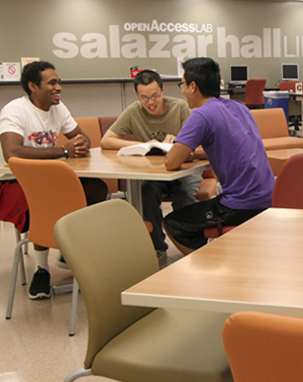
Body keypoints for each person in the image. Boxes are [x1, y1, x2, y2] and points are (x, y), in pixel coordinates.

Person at [0, 61, 108, 300]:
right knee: (48, 202)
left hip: (50, 178)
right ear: (33, 86)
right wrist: (65, 151)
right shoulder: (15, 110)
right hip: (14, 182)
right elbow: (12, 152)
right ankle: (42, 268)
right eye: (52, 83)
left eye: (59, 82)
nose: (59, 87)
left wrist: (81, 144)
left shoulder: (58, 108)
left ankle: (66, 247)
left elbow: (83, 138)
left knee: (96, 189)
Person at [163, 57, 275, 255]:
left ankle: (205, 266)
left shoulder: (201, 115)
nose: (181, 90)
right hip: (270, 196)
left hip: (242, 205)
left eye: (182, 84)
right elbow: (232, 144)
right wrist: (196, 153)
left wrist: (176, 150)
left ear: (193, 86)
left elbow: (171, 163)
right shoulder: (238, 106)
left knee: (173, 222)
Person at [100, 69, 202, 261]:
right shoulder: (133, 111)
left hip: (182, 170)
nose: (150, 103)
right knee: (145, 192)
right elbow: (107, 141)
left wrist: (180, 142)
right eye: (144, 98)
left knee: (184, 195)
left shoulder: (179, 107)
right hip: (152, 173)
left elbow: (199, 143)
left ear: (163, 90)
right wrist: (142, 145)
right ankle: (157, 247)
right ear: (137, 96)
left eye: (154, 96)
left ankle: (188, 244)